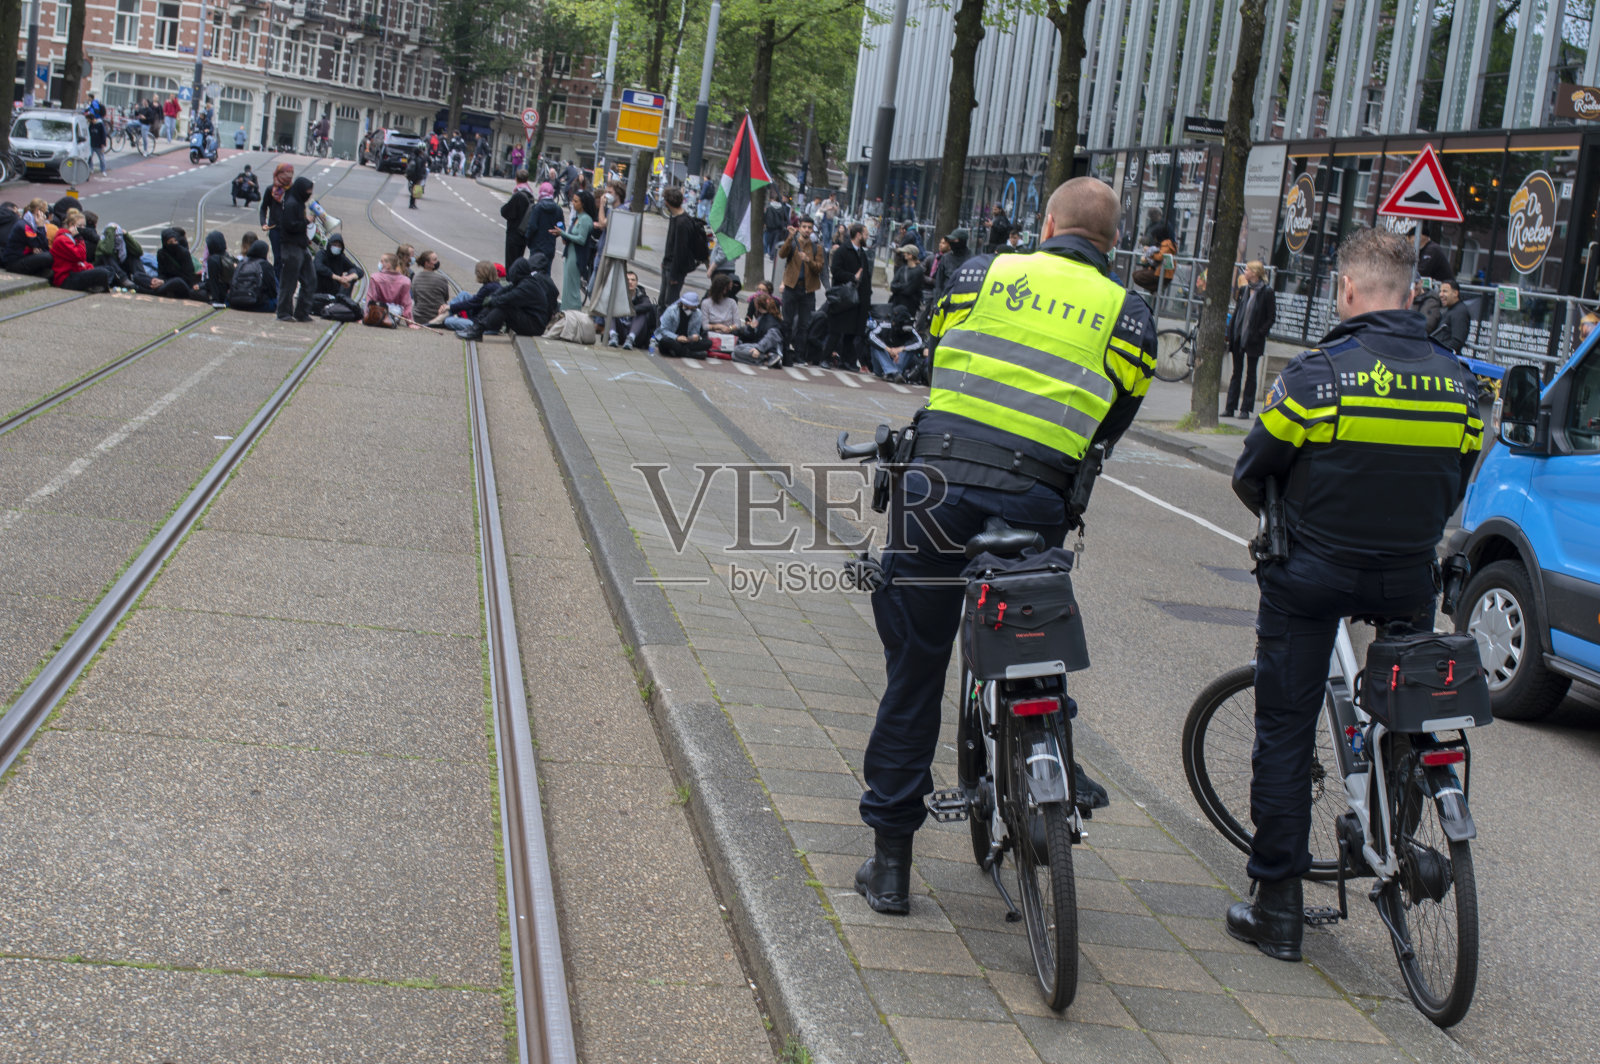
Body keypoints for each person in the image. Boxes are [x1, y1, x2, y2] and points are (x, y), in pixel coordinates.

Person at [854, 178, 1155, 916]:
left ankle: (891, 864)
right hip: (1034, 495)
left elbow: (936, 353)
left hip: (938, 484)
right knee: (1032, 641)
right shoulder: (1132, 316)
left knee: (916, 670)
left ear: (1047, 223)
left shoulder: (978, 274)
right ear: (1113, 243)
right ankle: (1050, 752)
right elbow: (1112, 422)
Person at [1224, 227, 1482, 962]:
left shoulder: (1318, 377)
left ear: (1347, 290)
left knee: (1284, 731)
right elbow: (1454, 479)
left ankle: (1277, 906)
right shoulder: (1461, 384)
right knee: (1411, 715)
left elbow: (1252, 470)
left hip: (1313, 574)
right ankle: (1399, 835)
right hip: (1407, 574)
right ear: (1409, 294)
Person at [1223, 261, 1278, 419]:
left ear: (1255, 272)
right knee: (1236, 372)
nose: (1244, 272)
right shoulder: (1244, 290)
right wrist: (1231, 331)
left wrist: (1260, 333)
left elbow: (1270, 317)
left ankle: (1245, 408)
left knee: (1251, 374)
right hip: (1239, 336)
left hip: (1254, 338)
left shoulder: (1266, 292)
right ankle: (1230, 407)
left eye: (1247, 269)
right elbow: (1238, 311)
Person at [462, 255, 558, 340]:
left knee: (504, 306)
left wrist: (492, 300)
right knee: (497, 302)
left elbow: (508, 298)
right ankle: (476, 326)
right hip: (529, 320)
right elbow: (505, 290)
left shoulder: (528, 286)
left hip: (534, 326)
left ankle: (478, 329)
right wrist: (492, 297)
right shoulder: (523, 281)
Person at [824, 222, 872, 370]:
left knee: (853, 332)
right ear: (858, 235)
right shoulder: (843, 251)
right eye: (865, 234)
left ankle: (848, 361)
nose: (867, 237)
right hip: (844, 298)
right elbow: (836, 271)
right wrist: (853, 277)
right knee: (836, 330)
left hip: (858, 299)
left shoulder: (862, 253)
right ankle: (825, 357)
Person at [778, 215, 824, 365]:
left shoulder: (817, 248)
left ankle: (799, 355)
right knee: (787, 322)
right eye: (804, 227)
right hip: (791, 287)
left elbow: (819, 268)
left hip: (807, 290)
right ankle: (784, 353)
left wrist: (808, 260)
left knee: (803, 325)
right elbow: (782, 254)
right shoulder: (793, 243)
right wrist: (790, 237)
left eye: (809, 228)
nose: (806, 230)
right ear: (799, 228)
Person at [658, 186, 708, 310]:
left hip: (675, 269)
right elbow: (671, 244)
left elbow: (680, 250)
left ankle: (667, 328)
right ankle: (659, 328)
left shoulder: (682, 223)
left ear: (667, 202)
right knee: (662, 302)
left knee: (670, 304)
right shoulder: (675, 217)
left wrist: (674, 275)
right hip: (668, 265)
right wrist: (665, 261)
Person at [277, 176, 318, 322]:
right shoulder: (291, 204)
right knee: (289, 281)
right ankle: (283, 312)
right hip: (291, 247)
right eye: (307, 190)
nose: (309, 193)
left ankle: (302, 312)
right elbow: (289, 225)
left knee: (310, 279)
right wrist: (305, 221)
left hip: (301, 246)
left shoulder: (299, 204)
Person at [430, 260, 501, 335]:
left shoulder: (488, 288)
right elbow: (476, 301)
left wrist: (450, 307)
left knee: (448, 321)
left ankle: (441, 318)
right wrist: (449, 307)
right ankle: (442, 317)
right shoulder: (494, 285)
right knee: (464, 294)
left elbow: (472, 303)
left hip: (482, 325)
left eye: (477, 273)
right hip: (482, 318)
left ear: (482, 274)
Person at [50, 209, 111, 292]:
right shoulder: (62, 239)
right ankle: (97, 286)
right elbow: (81, 256)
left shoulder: (70, 237)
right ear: (71, 225)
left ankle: (97, 285)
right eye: (80, 226)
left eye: (84, 226)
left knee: (109, 269)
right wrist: (79, 238)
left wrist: (90, 268)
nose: (83, 229)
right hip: (66, 278)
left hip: (76, 271)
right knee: (102, 273)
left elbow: (82, 262)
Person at [555, 190, 596, 310]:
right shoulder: (577, 218)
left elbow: (581, 239)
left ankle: (574, 312)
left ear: (583, 204)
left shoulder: (585, 219)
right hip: (570, 253)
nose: (573, 203)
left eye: (576, 201)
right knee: (567, 285)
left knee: (573, 286)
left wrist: (563, 233)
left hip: (577, 256)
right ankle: (566, 310)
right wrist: (562, 235)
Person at [867, 305, 925, 382]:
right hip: (882, 364)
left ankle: (893, 373)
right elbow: (871, 336)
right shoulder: (885, 325)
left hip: (898, 364)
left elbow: (919, 342)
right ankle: (891, 371)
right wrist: (888, 349)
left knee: (911, 348)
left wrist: (900, 349)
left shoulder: (909, 327)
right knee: (876, 346)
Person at [730, 291, 785, 367]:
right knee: (735, 351)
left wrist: (759, 349)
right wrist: (750, 328)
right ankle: (767, 358)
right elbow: (753, 334)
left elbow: (771, 337)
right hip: (760, 346)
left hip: (770, 348)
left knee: (737, 352)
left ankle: (769, 356)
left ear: (757, 306)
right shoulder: (761, 318)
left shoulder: (773, 320)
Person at [3, 198, 54, 277]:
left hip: (24, 257)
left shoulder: (31, 224)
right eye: (44, 213)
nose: (44, 217)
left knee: (49, 255)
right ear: (38, 211)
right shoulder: (24, 225)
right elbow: (38, 243)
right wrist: (41, 227)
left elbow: (44, 246)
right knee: (47, 257)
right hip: (13, 262)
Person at [654, 290, 712, 358]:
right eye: (687, 307)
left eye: (692, 308)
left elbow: (695, 331)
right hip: (672, 339)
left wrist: (694, 337)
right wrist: (677, 337)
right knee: (664, 341)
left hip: (686, 341)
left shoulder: (698, 314)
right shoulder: (671, 310)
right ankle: (689, 353)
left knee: (708, 342)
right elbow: (663, 330)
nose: (689, 310)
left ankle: (679, 352)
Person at [260, 163, 295, 278]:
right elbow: (263, 208)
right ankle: (277, 284)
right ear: (278, 174)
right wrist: (263, 223)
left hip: (290, 230)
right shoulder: (271, 190)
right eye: (286, 172)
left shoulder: (293, 190)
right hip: (275, 229)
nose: (288, 175)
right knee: (278, 258)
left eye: (290, 173)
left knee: (288, 259)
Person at [609, 270, 657, 349]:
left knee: (642, 313)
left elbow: (648, 305)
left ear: (636, 283)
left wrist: (630, 310)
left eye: (633, 280)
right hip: (620, 330)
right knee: (610, 309)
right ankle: (613, 336)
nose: (630, 282)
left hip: (636, 334)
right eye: (627, 280)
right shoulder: (617, 293)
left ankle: (630, 339)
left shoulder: (641, 295)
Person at [227, 238, 277, 312]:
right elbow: (272, 290)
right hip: (256, 303)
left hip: (235, 302)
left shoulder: (241, 263)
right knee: (276, 301)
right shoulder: (265, 265)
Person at [524, 182, 563, 274]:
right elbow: (561, 227)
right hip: (549, 247)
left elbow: (532, 226)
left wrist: (528, 240)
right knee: (546, 273)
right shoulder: (558, 209)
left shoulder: (537, 208)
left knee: (534, 272)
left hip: (536, 246)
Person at [365, 253, 414, 323]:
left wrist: (366, 315)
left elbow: (371, 298)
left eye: (382, 261)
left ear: (388, 265)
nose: (380, 263)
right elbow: (407, 302)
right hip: (395, 315)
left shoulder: (375, 278)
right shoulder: (405, 281)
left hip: (376, 313)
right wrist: (410, 322)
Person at [501, 169, 534, 265]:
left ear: (516, 179)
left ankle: (511, 279)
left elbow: (505, 211)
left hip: (514, 232)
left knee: (511, 261)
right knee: (519, 259)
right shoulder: (530, 194)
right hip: (523, 232)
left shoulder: (518, 195)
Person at [157, 227, 202, 293]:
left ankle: (157, 290)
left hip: (182, 283)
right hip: (165, 281)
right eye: (170, 242)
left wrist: (164, 281)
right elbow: (161, 272)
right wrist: (158, 281)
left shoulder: (184, 253)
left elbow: (188, 277)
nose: (174, 244)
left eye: (175, 241)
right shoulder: (161, 253)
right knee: (140, 276)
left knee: (177, 281)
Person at [889, 244, 925, 320]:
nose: (903, 254)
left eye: (905, 253)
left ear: (910, 256)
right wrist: (904, 286)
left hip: (910, 307)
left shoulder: (919, 271)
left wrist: (899, 286)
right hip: (897, 304)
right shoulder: (903, 268)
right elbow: (892, 286)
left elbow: (909, 290)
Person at [412, 249, 450, 323]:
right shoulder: (442, 279)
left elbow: (415, 297)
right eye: (435, 260)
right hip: (438, 316)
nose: (437, 262)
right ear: (427, 263)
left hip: (418, 317)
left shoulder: (415, 277)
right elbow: (446, 297)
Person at [1434, 280, 1471, 354]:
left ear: (1455, 293)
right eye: (1440, 291)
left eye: (1445, 291)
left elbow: (1457, 340)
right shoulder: (1451, 310)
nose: (1441, 294)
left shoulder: (1460, 312)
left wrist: (1440, 352)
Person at [201, 230, 236, 305]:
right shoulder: (226, 256)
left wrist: (215, 299)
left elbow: (214, 281)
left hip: (220, 293)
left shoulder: (213, 260)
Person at [763, 192, 789, 264]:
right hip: (778, 228)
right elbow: (784, 218)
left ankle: (766, 252)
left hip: (769, 227)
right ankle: (772, 255)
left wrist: (765, 223)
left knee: (767, 240)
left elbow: (766, 215)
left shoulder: (769, 207)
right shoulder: (782, 208)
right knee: (775, 242)